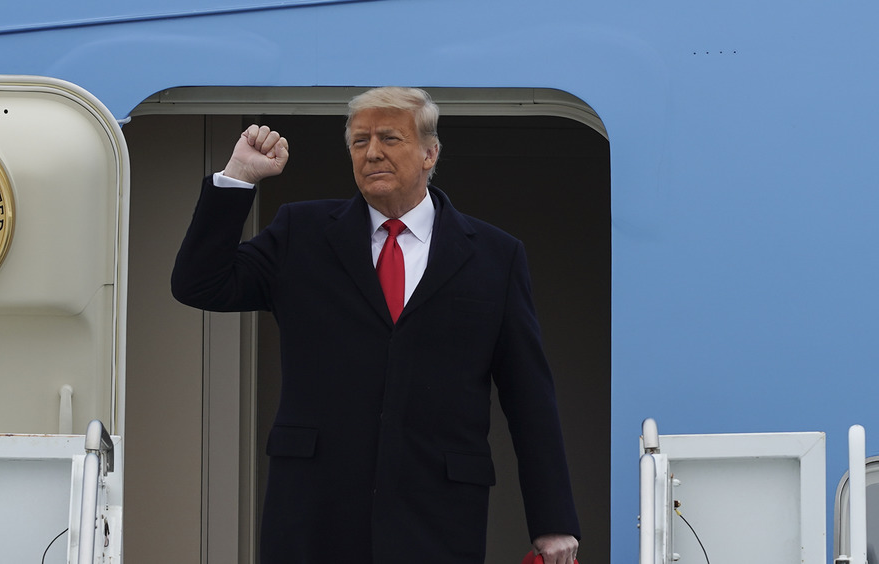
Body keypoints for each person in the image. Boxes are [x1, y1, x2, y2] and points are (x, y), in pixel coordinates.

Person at [171, 87, 580, 564]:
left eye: (389, 138)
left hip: (438, 516)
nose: (373, 153)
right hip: (313, 511)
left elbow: (529, 395)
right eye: (360, 141)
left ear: (430, 153)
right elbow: (199, 284)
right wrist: (238, 177)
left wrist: (552, 522)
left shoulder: (495, 255)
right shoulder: (300, 233)